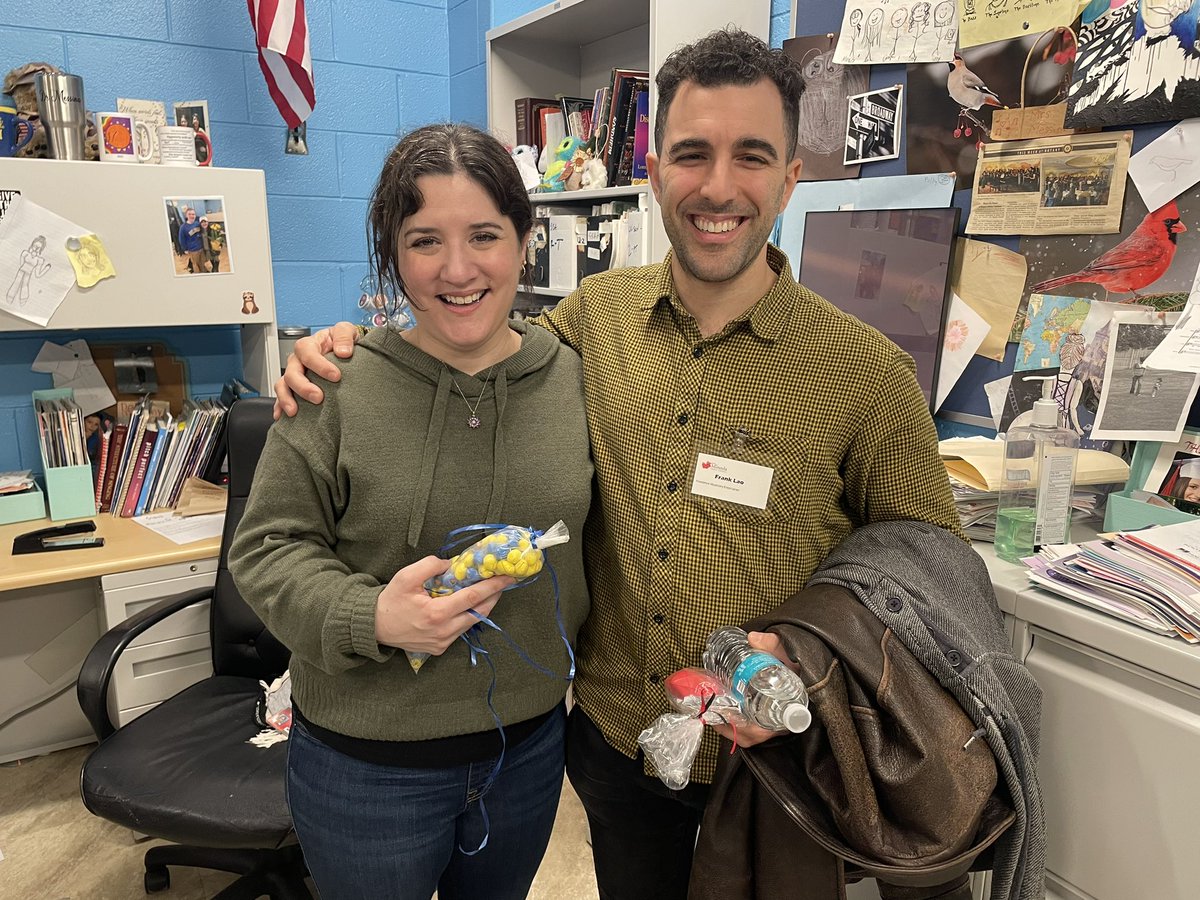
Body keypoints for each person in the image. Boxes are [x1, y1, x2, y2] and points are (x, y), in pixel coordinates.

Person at [275, 28, 963, 900]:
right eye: (691, 154)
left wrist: (810, 659)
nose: (718, 187)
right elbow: (467, 340)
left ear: (792, 177)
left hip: (775, 765)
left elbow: (932, 573)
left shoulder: (864, 373)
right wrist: (346, 347)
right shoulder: (590, 322)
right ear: (653, 169)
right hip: (617, 748)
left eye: (751, 156)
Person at [228, 122, 593, 900]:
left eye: (485, 235)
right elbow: (266, 549)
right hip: (364, 765)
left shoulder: (576, 377)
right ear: (392, 253)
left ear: (526, 241)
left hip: (524, 754)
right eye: (425, 240)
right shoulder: (335, 383)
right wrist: (374, 618)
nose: (457, 270)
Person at [176, 207, 206, 275]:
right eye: (190, 214)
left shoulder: (197, 223)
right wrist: (185, 249)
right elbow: (181, 239)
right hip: (193, 250)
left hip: (201, 248)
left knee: (202, 263)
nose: (192, 216)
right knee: (195, 265)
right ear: (186, 215)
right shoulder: (183, 227)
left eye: (193, 214)